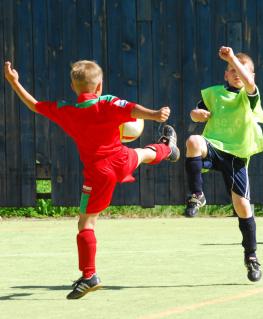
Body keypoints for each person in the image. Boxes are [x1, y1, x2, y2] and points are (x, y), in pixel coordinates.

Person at [4, 60, 180, 299]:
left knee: (86, 223)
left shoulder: (67, 110)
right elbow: (132, 109)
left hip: (99, 173)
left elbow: (35, 105)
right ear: (99, 87)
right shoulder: (106, 102)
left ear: (73, 86)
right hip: (120, 159)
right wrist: (155, 115)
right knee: (141, 154)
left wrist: (14, 82)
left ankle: (89, 276)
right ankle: (168, 149)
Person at [184, 46, 263, 281]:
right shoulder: (214, 93)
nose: (236, 73)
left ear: (251, 75)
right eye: (231, 69)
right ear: (225, 75)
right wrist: (195, 115)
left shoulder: (249, 96)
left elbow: (250, 85)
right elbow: (196, 111)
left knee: (242, 206)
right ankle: (197, 194)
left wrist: (231, 57)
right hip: (214, 146)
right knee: (192, 141)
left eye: (241, 70)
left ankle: (251, 256)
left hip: (237, 155)